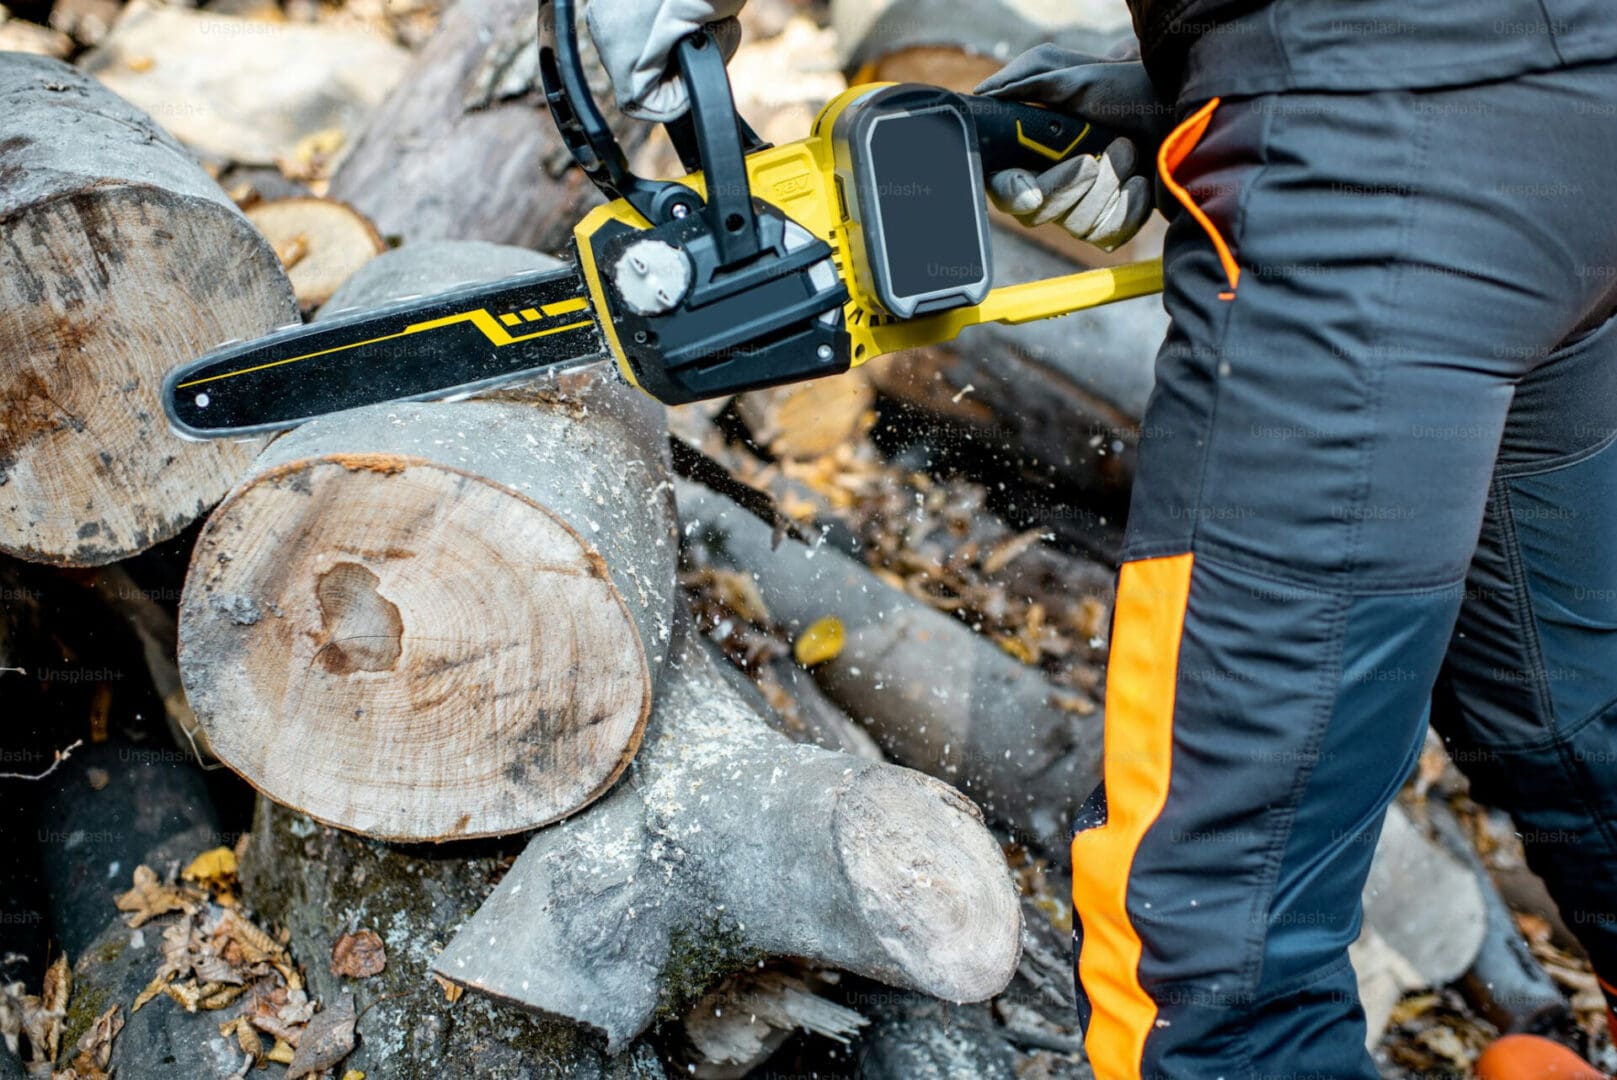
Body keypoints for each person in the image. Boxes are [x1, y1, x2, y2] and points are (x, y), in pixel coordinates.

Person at [587, 2, 1617, 1076]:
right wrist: (1189, 61)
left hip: (1381, 154)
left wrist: (1269, 63)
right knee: (1571, 717)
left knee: (1204, 953)